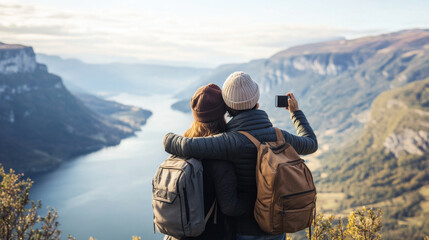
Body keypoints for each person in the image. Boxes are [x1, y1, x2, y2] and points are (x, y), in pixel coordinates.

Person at [163, 72, 318, 240]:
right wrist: (295, 112)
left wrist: (168, 136)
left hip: (245, 230)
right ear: (257, 101)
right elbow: (310, 143)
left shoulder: (229, 142)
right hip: (277, 225)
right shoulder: (280, 136)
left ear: (227, 106)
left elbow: (179, 144)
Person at [164, 83, 248, 240]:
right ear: (222, 113)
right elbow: (230, 207)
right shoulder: (220, 159)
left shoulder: (181, 151)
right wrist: (253, 199)